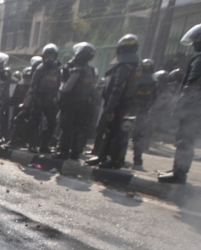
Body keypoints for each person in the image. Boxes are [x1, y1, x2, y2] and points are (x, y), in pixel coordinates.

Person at [159, 21, 201, 183]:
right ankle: (179, 170)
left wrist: (180, 107)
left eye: (197, 38)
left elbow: (191, 86)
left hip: (194, 107)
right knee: (188, 141)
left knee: (184, 140)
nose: (195, 42)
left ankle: (178, 174)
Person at [91, 34, 141, 169]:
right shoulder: (134, 66)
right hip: (125, 105)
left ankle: (115, 160)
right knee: (111, 131)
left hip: (119, 105)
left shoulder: (124, 67)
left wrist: (109, 108)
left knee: (117, 133)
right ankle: (103, 156)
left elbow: (117, 88)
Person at [56, 42, 97, 161]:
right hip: (83, 104)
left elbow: (67, 88)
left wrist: (62, 84)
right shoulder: (91, 70)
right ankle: (75, 153)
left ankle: (63, 153)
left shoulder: (78, 70)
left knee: (67, 129)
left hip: (71, 104)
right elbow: (92, 88)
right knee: (78, 130)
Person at [24, 44, 61, 153]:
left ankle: (44, 145)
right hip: (39, 98)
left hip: (50, 100)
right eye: (49, 55)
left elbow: (58, 85)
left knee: (52, 123)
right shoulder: (40, 68)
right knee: (35, 122)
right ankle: (32, 145)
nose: (51, 58)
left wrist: (56, 99)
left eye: (53, 55)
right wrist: (30, 101)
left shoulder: (57, 70)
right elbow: (33, 85)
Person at [130, 58, 157, 169]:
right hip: (143, 112)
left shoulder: (135, 79)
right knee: (139, 136)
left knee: (123, 134)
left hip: (131, 111)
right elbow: (154, 98)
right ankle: (137, 161)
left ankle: (119, 159)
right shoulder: (154, 82)